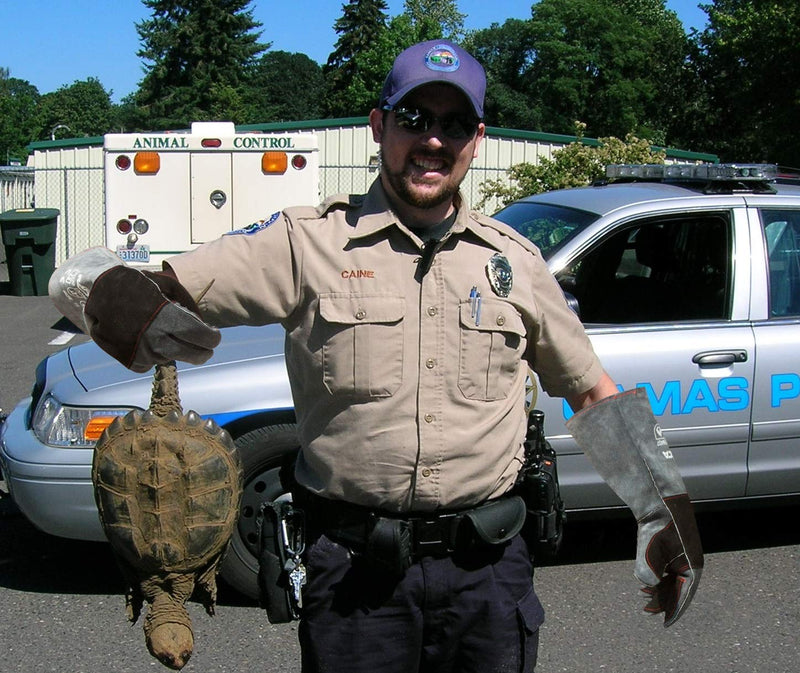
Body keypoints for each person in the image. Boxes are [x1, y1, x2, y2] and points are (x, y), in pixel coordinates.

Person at [50, 40, 702, 673]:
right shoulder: (306, 245)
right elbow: (130, 287)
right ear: (378, 125)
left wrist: (664, 516)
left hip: (488, 579)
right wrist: (107, 296)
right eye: (414, 118)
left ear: (477, 139)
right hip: (355, 580)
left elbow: (593, 391)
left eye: (454, 123)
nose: (433, 140)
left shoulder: (516, 263)